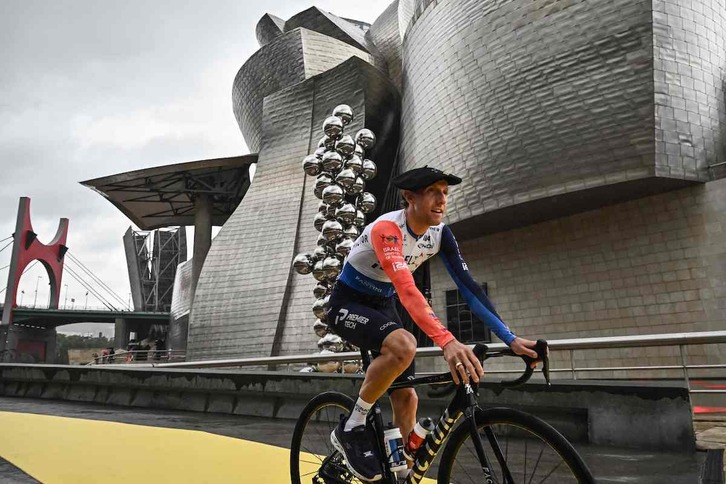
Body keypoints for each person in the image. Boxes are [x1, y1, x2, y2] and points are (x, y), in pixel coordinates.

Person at [327, 166, 540, 482]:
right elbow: (407, 289)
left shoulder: (441, 234)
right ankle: (352, 426)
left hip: (384, 305)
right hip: (350, 302)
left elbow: (468, 287)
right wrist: (447, 340)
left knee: (407, 397)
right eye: (433, 192)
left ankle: (398, 473)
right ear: (410, 197)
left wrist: (510, 338)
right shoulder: (387, 229)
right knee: (404, 346)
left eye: (445, 192)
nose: (442, 200)